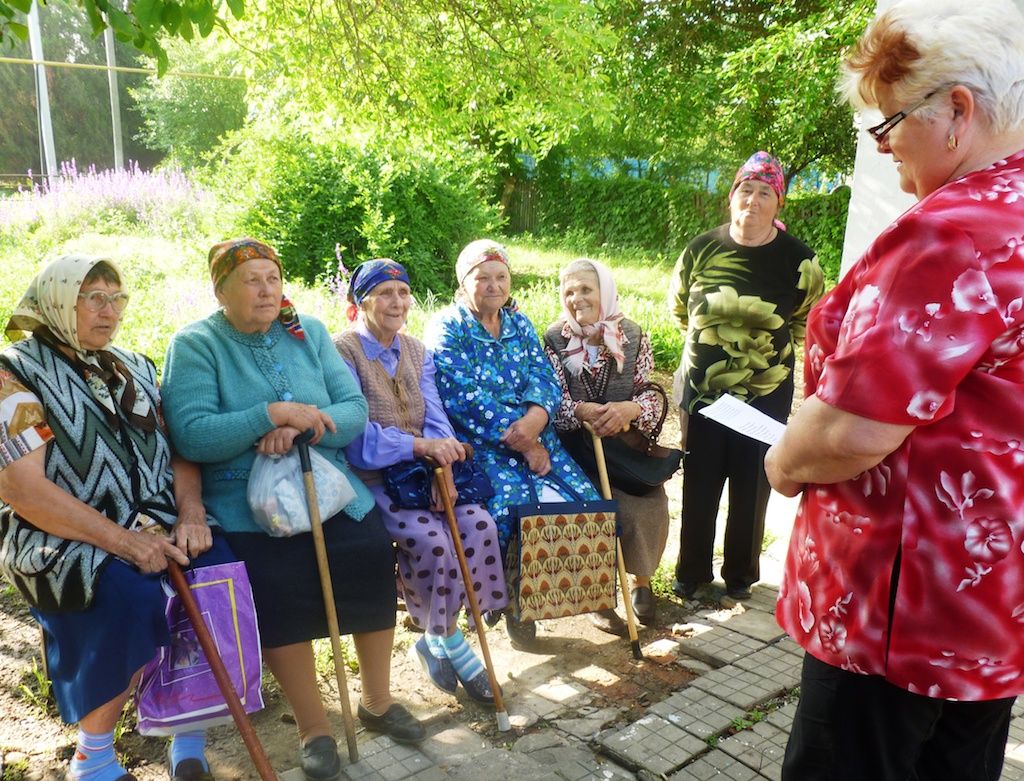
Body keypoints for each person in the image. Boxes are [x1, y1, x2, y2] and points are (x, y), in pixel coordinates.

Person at [764, 1, 1024, 777]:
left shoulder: (952, 230)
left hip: (897, 617)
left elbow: (853, 429)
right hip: (988, 603)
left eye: (888, 125)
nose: (881, 150)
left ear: (957, 111)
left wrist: (783, 461)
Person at [162, 239, 424, 781]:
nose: (266, 289)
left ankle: (377, 703)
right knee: (279, 589)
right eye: (251, 280)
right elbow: (191, 434)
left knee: (371, 558)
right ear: (221, 290)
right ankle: (315, 728)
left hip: (330, 489)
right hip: (246, 502)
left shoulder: (309, 332)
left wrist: (300, 423)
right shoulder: (196, 344)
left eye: (273, 278)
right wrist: (268, 414)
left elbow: (352, 411)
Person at [0, 255, 229, 781]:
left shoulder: (135, 365)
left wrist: (192, 513)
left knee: (219, 570)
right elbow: (21, 488)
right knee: (129, 595)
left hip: (160, 521)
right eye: (93, 297)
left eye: (116, 298)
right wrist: (125, 543)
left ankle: (185, 730)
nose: (109, 311)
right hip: (60, 532)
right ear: (59, 301)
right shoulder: (13, 373)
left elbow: (181, 450)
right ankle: (94, 758)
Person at [334, 258, 507, 703]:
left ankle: (434, 637)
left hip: (426, 472)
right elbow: (356, 438)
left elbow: (435, 415)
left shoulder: (417, 352)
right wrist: (418, 449)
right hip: (373, 477)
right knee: (432, 541)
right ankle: (449, 641)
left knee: (479, 526)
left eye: (403, 293)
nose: (397, 302)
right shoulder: (343, 352)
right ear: (361, 302)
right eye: (385, 293)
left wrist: (442, 463)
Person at [424, 240, 600, 647]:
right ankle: (512, 606)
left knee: (583, 500)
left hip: (537, 434)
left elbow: (544, 377)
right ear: (462, 283)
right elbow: (462, 397)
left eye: (500, 277)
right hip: (482, 443)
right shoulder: (448, 326)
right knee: (511, 511)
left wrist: (537, 419)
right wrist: (523, 439)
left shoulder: (518, 322)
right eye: (481, 277)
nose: (493, 285)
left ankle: (571, 591)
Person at [668, 151, 824, 603]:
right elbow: (681, 310)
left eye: (764, 193)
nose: (752, 202)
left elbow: (808, 323)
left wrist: (766, 363)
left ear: (779, 205)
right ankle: (690, 572)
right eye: (744, 190)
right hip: (705, 390)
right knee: (699, 480)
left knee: (752, 484)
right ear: (731, 197)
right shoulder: (702, 248)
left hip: (765, 393)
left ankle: (739, 575)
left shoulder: (799, 261)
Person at [544, 258, 670, 632]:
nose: (576, 298)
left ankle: (642, 583)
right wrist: (582, 411)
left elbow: (649, 394)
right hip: (576, 448)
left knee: (646, 504)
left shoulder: (632, 334)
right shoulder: (554, 339)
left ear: (605, 293)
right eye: (568, 291)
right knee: (593, 508)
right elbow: (554, 400)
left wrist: (630, 408)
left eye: (585, 289)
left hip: (625, 444)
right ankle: (595, 596)